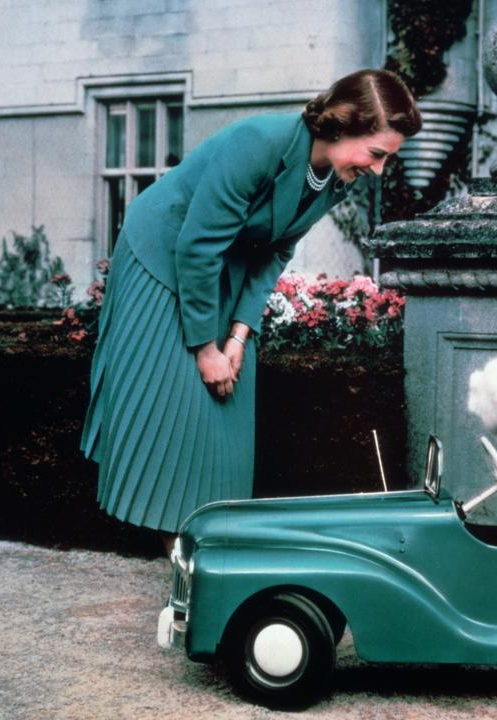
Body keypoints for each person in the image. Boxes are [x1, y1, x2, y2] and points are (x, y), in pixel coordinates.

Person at [80, 69, 421, 551]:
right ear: (342, 126)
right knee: (177, 410)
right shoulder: (257, 142)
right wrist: (204, 349)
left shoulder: (335, 177)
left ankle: (211, 556)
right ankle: (183, 563)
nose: (380, 170)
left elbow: (276, 253)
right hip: (161, 257)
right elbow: (196, 248)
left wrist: (239, 335)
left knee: (225, 417)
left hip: (225, 267)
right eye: (377, 154)